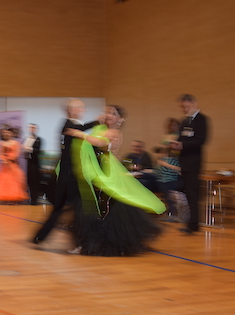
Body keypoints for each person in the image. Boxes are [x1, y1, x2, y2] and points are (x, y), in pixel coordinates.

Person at [65, 105, 164, 255]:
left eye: (112, 113)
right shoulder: (100, 129)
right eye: (106, 112)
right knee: (88, 209)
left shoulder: (114, 132)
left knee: (103, 210)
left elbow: (100, 143)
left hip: (105, 175)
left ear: (119, 119)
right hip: (96, 173)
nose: (108, 115)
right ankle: (84, 243)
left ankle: (93, 243)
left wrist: (79, 133)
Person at [32, 99, 101, 245]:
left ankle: (44, 236)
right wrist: (97, 122)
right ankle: (45, 236)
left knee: (74, 208)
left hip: (70, 174)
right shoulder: (68, 125)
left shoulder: (70, 126)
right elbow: (80, 129)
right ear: (72, 110)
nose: (83, 111)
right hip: (68, 175)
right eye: (81, 108)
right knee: (65, 208)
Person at [174, 94, 210, 234]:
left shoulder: (202, 119)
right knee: (188, 193)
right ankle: (191, 222)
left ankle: (194, 224)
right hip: (184, 162)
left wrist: (183, 145)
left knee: (193, 194)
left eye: (187, 106)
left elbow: (201, 140)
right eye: (183, 107)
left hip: (194, 162)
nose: (185, 109)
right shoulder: (184, 121)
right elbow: (181, 138)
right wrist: (176, 144)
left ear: (194, 103)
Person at [0, 126, 28, 203]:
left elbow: (17, 153)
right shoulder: (1, 143)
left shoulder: (16, 143)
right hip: (4, 166)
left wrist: (10, 159)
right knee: (4, 182)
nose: (7, 134)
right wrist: (4, 159)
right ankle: (5, 198)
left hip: (13, 165)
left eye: (9, 133)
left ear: (12, 134)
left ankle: (14, 198)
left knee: (14, 181)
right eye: (5, 133)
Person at [155, 142, 184, 221]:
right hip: (162, 181)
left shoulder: (174, 160)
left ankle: (172, 213)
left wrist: (166, 165)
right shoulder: (161, 160)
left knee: (168, 191)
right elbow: (157, 172)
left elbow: (180, 170)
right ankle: (168, 212)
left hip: (170, 181)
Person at [22, 123, 42, 205]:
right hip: (28, 162)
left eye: (34, 128)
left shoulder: (38, 139)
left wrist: (28, 149)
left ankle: (35, 199)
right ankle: (30, 198)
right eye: (31, 128)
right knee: (29, 181)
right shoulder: (26, 139)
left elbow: (37, 151)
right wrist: (25, 151)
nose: (32, 129)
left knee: (35, 181)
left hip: (35, 163)